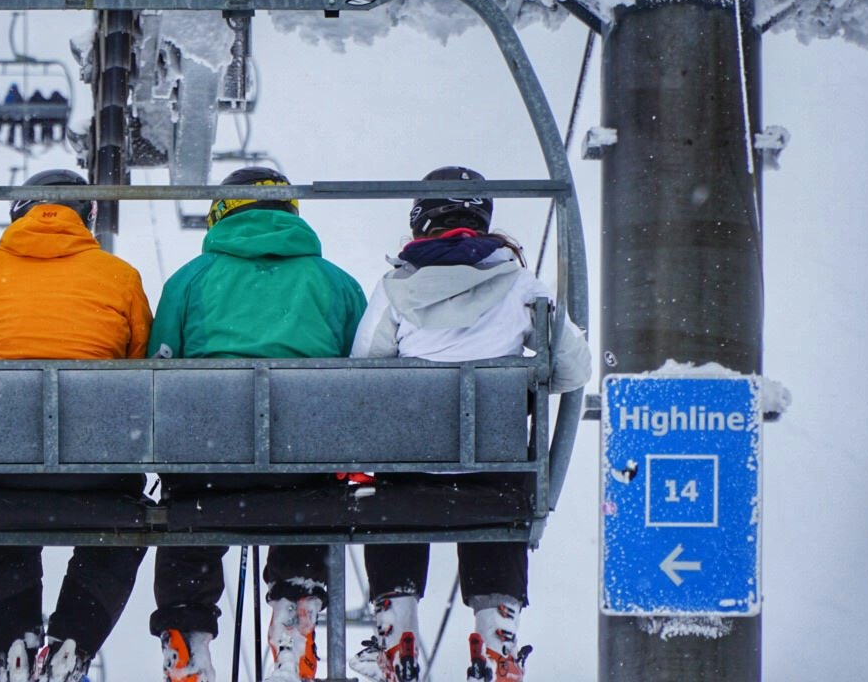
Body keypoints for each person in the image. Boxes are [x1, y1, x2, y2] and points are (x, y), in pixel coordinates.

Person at [346, 167, 591, 682]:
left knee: (388, 493)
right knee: (499, 494)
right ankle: (497, 635)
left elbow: (363, 369)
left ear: (420, 221)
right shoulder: (523, 286)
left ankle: (397, 629)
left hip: (408, 480)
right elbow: (573, 369)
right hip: (494, 478)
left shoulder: (396, 289)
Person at [149, 167, 367, 682]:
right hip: (304, 467)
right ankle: (297, 602)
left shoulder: (190, 280)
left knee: (188, 516)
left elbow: (155, 371)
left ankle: (186, 634)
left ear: (220, 215)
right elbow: (367, 382)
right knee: (317, 495)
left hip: (209, 466)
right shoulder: (337, 284)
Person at [0, 169, 154, 682]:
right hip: (98, 472)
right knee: (122, 524)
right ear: (87, 217)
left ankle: (14, 643)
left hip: (5, 471)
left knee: (0, 520)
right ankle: (74, 641)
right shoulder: (120, 276)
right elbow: (141, 370)